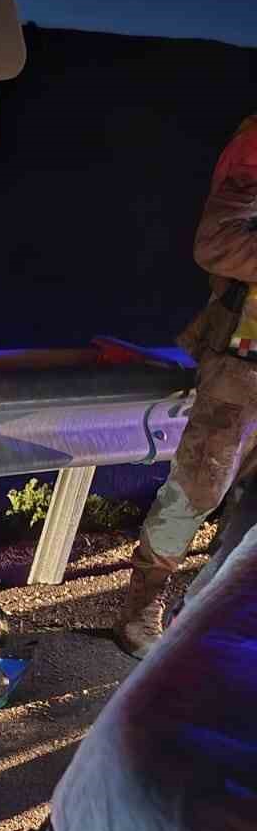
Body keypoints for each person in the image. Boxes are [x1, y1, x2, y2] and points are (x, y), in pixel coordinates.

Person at [115, 113, 257, 658]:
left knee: (251, 508)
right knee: (196, 492)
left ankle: (211, 612)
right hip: (242, 368)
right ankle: (140, 613)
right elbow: (216, 244)